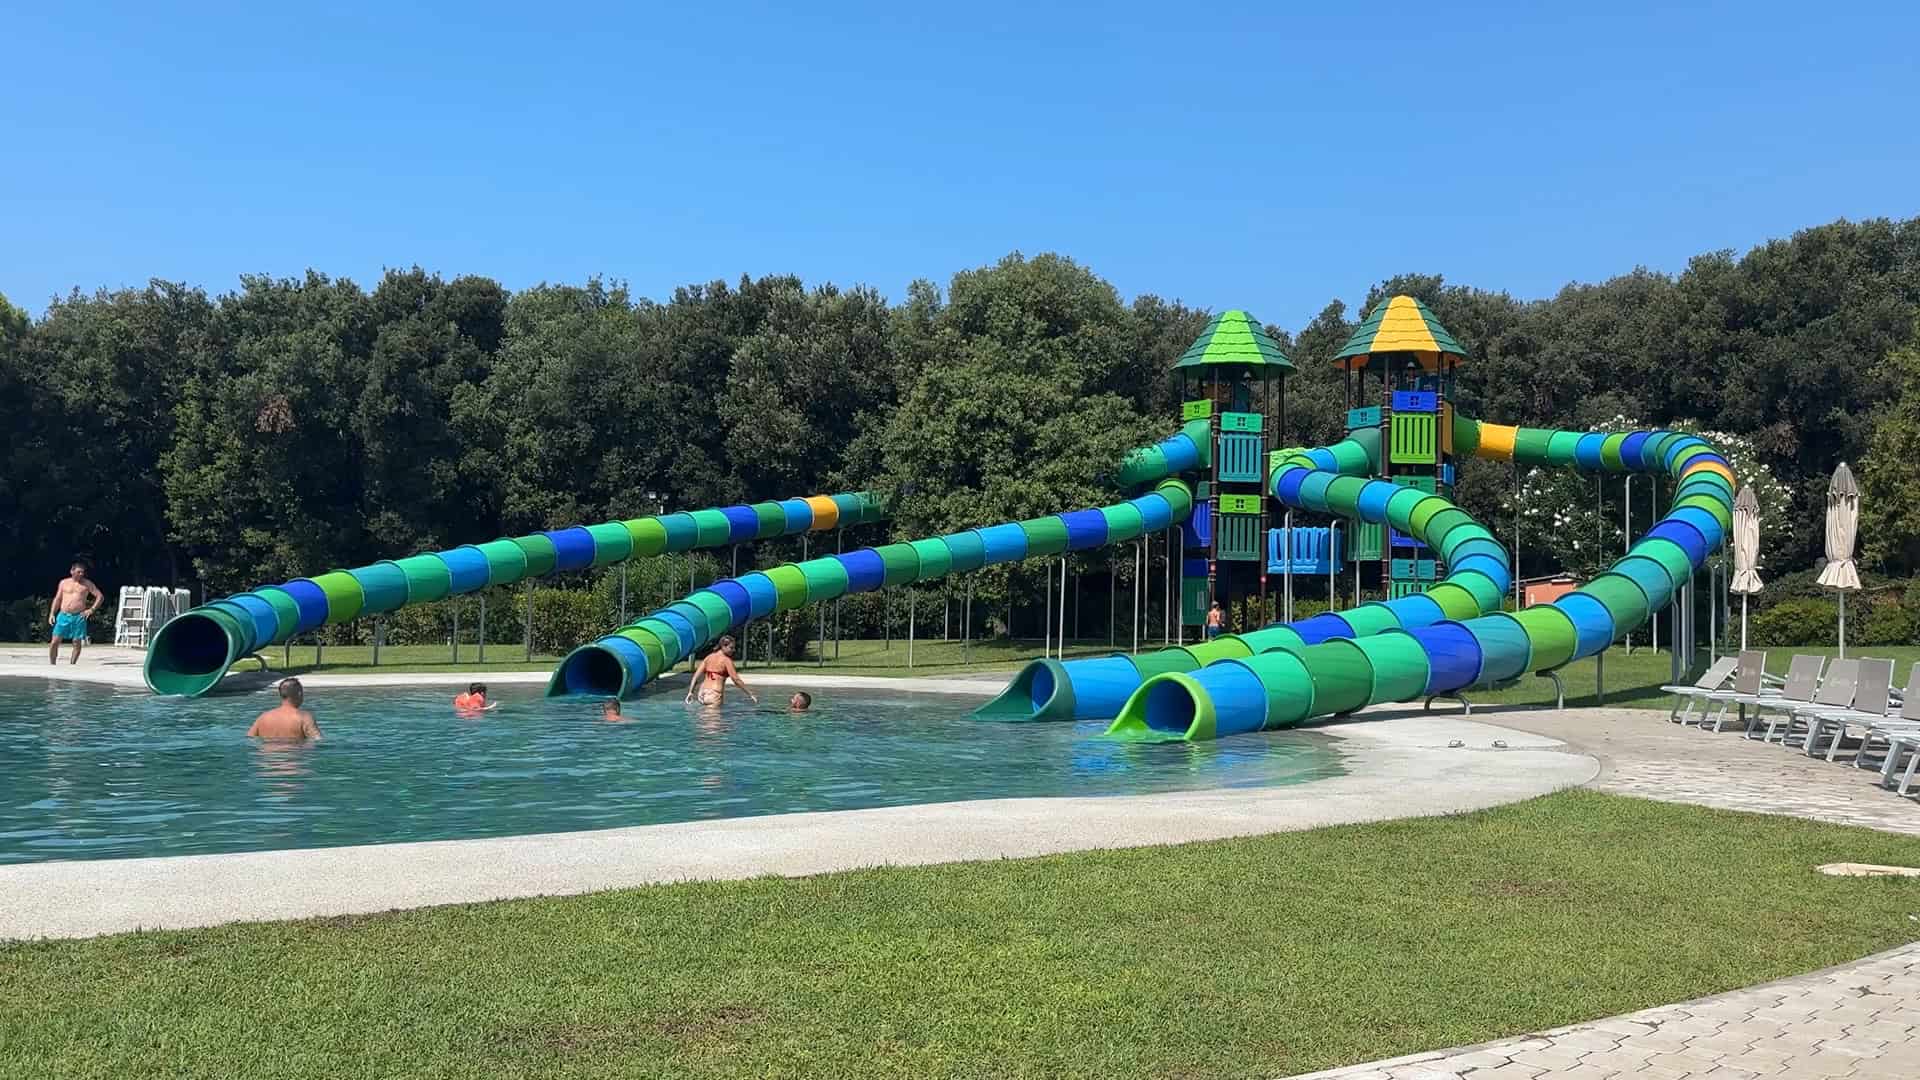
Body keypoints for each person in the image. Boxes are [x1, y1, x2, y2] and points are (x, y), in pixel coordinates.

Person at [48, 561, 103, 666]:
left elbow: (100, 596)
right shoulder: (64, 583)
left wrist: (91, 609)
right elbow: (58, 599)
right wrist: (52, 614)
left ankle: (72, 665)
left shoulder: (87, 584)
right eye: (78, 572)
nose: (81, 574)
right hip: (63, 615)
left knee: (76, 642)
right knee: (55, 641)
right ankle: (52, 665)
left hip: (78, 616)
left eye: (82, 572)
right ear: (72, 571)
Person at [686, 635, 756, 707]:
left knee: (704, 717)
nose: (733, 650)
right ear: (723, 646)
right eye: (731, 648)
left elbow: (695, 676)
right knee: (715, 718)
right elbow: (736, 680)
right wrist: (750, 694)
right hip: (714, 694)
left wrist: (691, 692)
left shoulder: (708, 657)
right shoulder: (726, 660)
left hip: (702, 694)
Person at [248, 678, 322, 740]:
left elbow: (250, 738)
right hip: (293, 756)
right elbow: (317, 741)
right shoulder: (304, 717)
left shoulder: (263, 717)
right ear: (300, 694)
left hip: (268, 757)